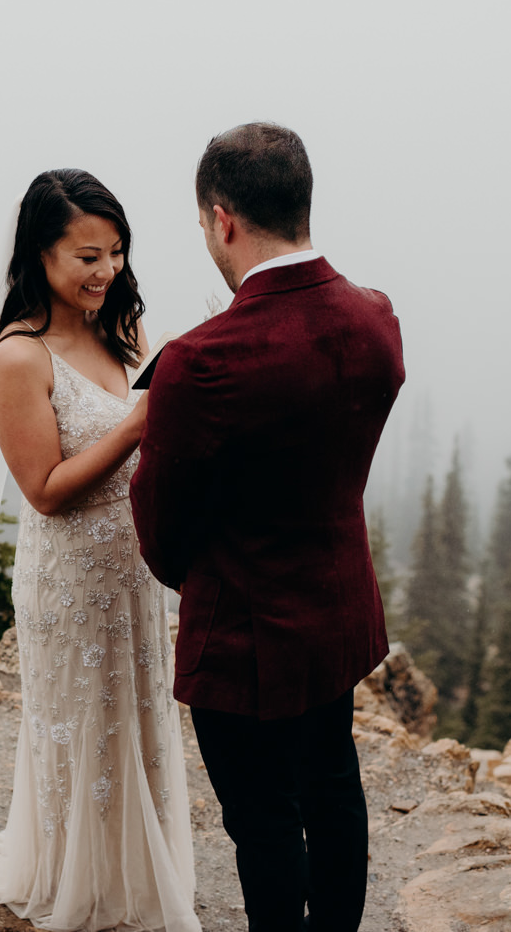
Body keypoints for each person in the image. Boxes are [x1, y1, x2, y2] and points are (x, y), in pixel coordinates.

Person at [130, 124, 405, 932]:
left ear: (221, 219)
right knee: (334, 784)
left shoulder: (199, 362)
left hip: (247, 635)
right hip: (340, 614)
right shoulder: (376, 320)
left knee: (266, 822)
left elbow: (162, 534)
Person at [0, 169, 201, 932]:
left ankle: (135, 877)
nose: (107, 272)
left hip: (134, 573)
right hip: (68, 578)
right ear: (41, 255)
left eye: (117, 253)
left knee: (135, 723)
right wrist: (139, 420)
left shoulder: (119, 333)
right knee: (83, 731)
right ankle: (79, 885)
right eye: (87, 256)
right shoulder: (20, 357)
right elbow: (44, 486)